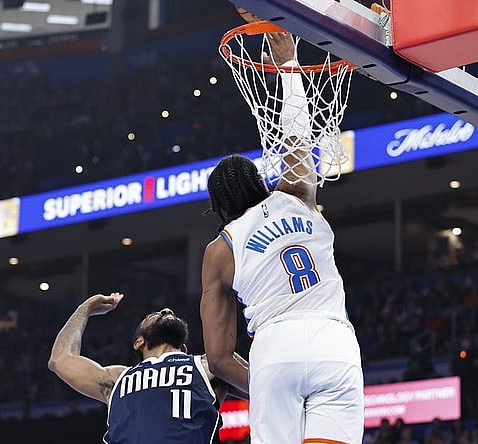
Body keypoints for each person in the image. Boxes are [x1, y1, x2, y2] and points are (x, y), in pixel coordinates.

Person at [200, 32, 364, 444]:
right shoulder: (297, 197)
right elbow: (297, 139)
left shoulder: (220, 250)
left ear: (219, 206)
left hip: (273, 347)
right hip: (333, 340)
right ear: (259, 181)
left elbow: (218, 359)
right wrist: (289, 66)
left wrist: (274, 384)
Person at [48, 292, 245, 444]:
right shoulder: (118, 379)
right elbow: (60, 359)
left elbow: (265, 385)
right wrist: (86, 308)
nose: (166, 311)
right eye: (154, 315)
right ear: (139, 342)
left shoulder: (209, 366)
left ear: (183, 348)